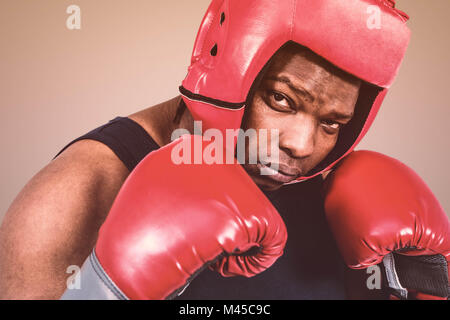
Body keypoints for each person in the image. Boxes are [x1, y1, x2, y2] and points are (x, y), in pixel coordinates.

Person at [0, 0, 448, 300]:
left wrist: (423, 281)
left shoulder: (347, 197)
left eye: (332, 123)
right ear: (223, 66)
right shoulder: (70, 198)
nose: (300, 145)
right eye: (282, 100)